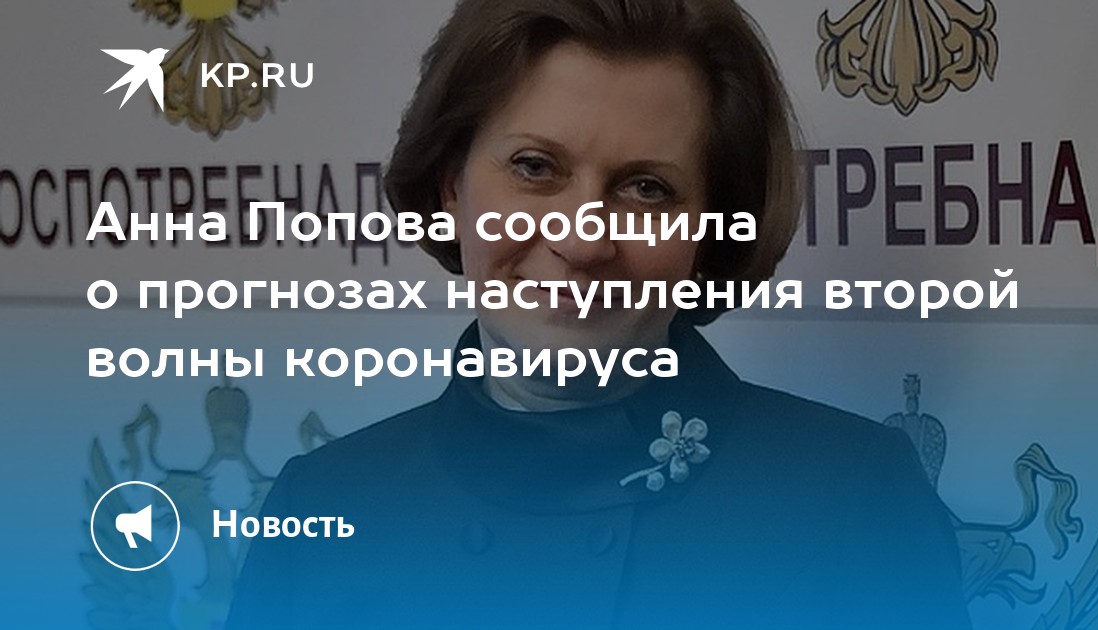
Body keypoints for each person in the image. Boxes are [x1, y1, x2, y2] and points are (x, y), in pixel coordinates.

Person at [226, 0, 970, 627]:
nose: (582, 241)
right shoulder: (320, 508)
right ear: (452, 187)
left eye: (646, 188)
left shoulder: (855, 501)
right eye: (534, 168)